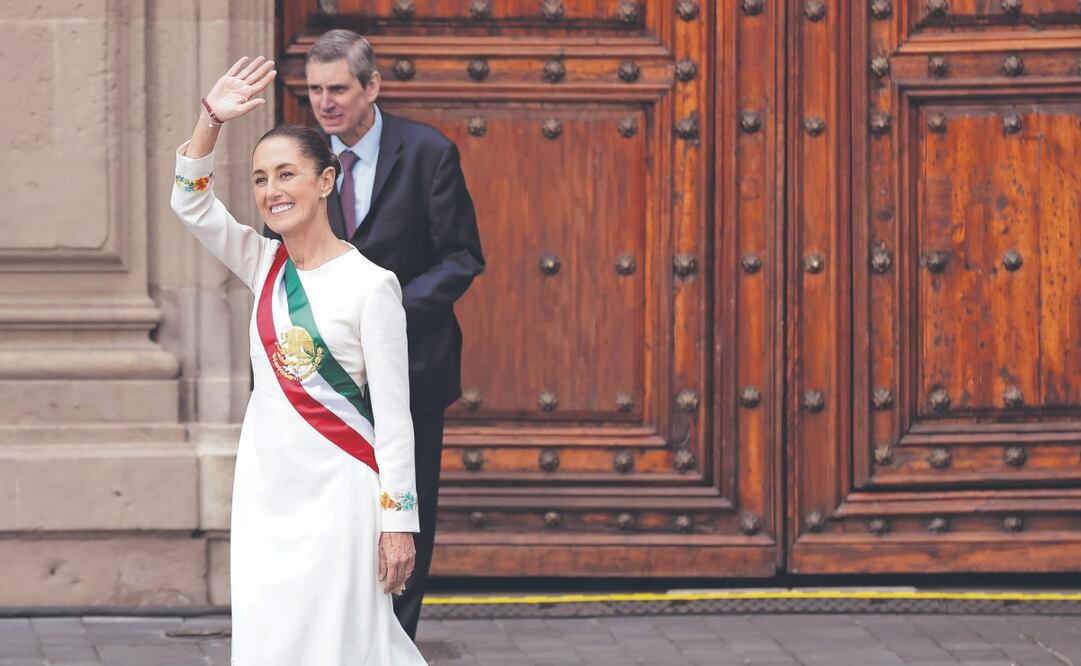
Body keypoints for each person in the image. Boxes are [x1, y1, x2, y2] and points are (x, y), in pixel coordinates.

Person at [171, 55, 427, 665]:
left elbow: (394, 419)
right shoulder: (264, 264)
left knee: (346, 642)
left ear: (326, 179)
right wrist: (210, 120)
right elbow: (192, 204)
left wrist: (399, 523)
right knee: (270, 638)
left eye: (286, 174)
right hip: (267, 490)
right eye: (260, 179)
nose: (271, 191)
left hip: (342, 494)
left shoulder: (373, 286)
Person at [264, 29, 486, 639]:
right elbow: (275, 252)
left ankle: (395, 643)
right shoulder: (300, 156)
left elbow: (461, 257)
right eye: (315, 90)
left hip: (411, 368)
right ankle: (333, 637)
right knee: (332, 515)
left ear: (372, 87)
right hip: (320, 377)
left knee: (405, 516)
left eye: (338, 88)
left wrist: (380, 313)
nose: (325, 103)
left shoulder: (428, 152)